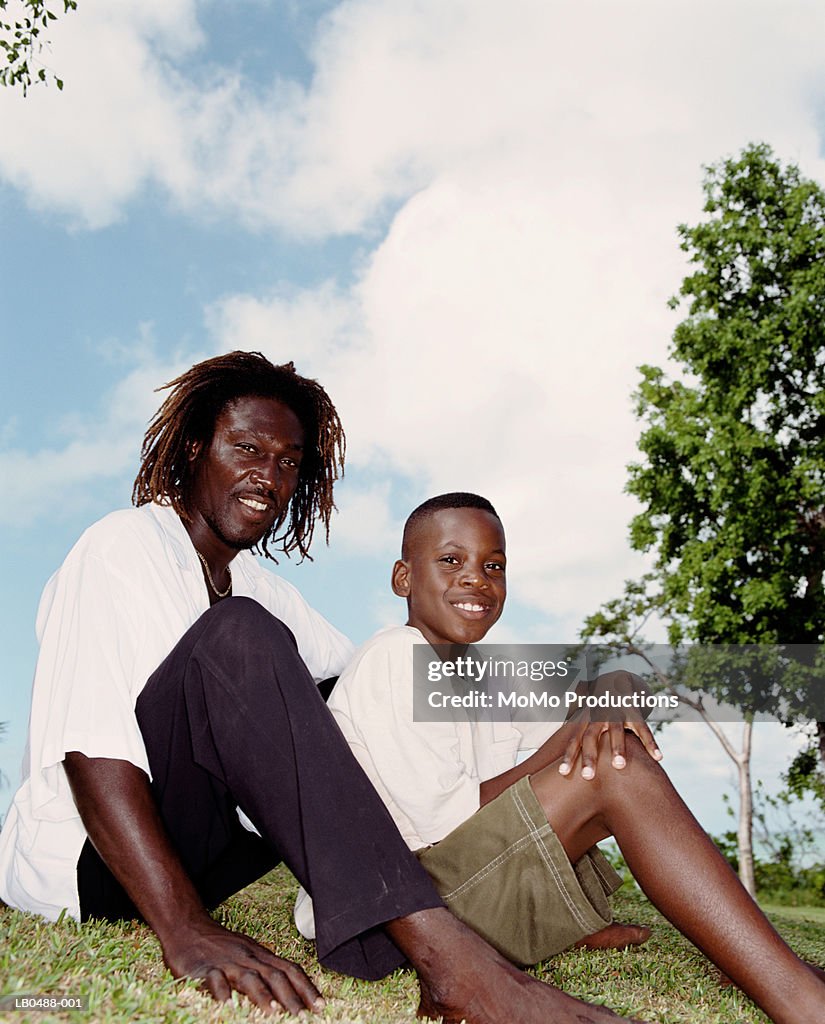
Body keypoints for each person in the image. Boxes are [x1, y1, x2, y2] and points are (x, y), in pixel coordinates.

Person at [0, 354, 651, 1024]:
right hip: (86, 867)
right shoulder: (123, 546)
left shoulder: (263, 589)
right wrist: (185, 928)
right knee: (241, 637)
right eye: (248, 449)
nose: (269, 476)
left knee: (352, 690)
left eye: (288, 461)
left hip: (197, 849)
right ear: (195, 448)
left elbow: (381, 685)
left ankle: (472, 900)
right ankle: (452, 966)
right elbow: (90, 752)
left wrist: (585, 687)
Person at [326, 492, 825, 1024]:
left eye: (493, 566)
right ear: (403, 578)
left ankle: (746, 956)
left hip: (453, 889)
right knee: (610, 764)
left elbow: (594, 702)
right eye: (451, 561)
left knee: (610, 746)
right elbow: (448, 827)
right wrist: (573, 738)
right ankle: (798, 1000)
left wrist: (614, 683)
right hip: (402, 923)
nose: (476, 579)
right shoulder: (394, 656)